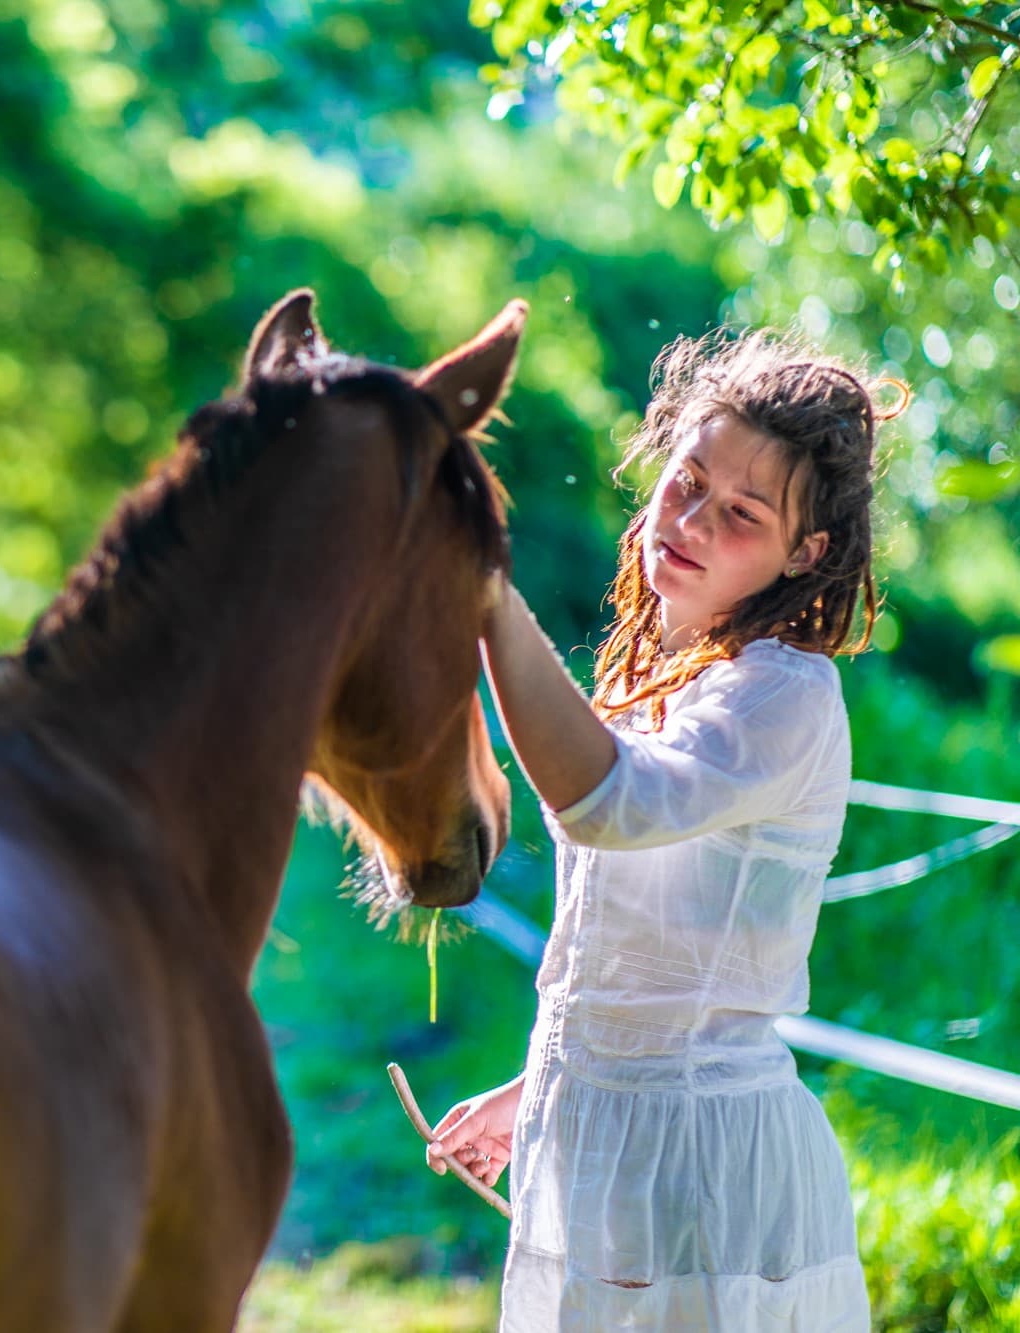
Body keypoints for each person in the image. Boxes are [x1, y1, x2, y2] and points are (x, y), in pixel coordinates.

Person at [427, 324, 907, 1330]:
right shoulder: (656, 679)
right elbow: (650, 958)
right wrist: (538, 1086)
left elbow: (612, 807)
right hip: (599, 1143)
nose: (687, 518)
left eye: (740, 513)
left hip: (703, 1175)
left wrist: (485, 596)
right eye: (684, 479)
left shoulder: (784, 694)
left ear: (801, 553)